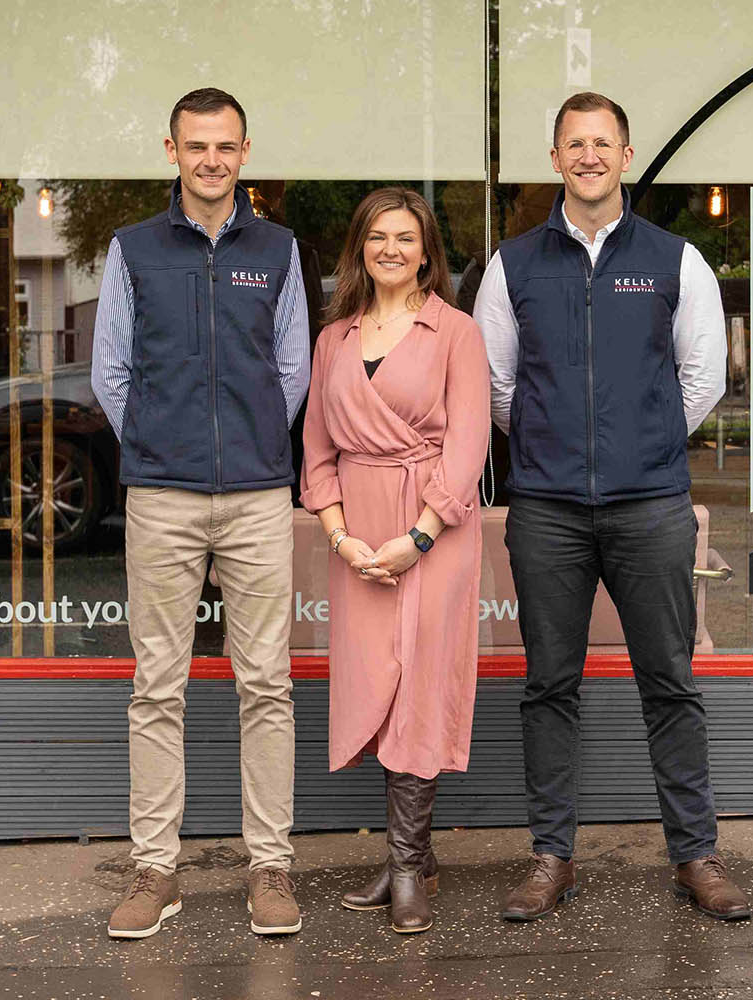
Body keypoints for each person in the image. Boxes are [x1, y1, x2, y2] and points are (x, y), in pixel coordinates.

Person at [472, 91, 751, 922]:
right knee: (549, 686)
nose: (589, 156)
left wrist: (642, 441)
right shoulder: (513, 265)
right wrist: (554, 443)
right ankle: (550, 857)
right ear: (555, 158)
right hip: (548, 510)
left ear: (626, 156)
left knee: (670, 682)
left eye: (603, 143)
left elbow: (702, 378)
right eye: (575, 143)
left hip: (651, 505)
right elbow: (495, 384)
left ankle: (695, 856)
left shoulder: (675, 259)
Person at [91, 87, 310, 939]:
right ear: (172, 151)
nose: (211, 160)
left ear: (244, 152)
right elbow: (111, 372)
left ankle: (270, 866)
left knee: (267, 685)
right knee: (157, 686)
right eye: (196, 146)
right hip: (163, 496)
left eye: (225, 146)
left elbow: (291, 370)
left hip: (257, 495)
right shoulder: (134, 249)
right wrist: (161, 445)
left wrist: (248, 445)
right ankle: (155, 868)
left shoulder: (279, 249)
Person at [299, 188, 490, 934]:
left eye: (405, 237)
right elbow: (317, 452)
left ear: (426, 251)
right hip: (357, 531)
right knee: (378, 678)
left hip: (433, 527)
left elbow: (469, 445)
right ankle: (415, 856)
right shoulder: (333, 340)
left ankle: (406, 866)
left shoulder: (456, 332)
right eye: (378, 237)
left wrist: (418, 538)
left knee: (420, 681)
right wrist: (341, 538)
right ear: (360, 248)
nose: (391, 249)